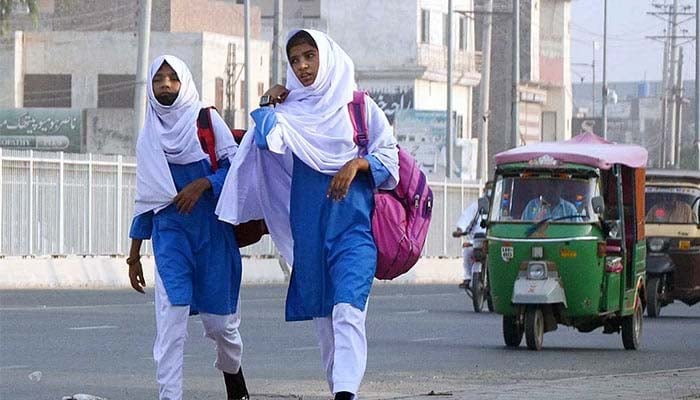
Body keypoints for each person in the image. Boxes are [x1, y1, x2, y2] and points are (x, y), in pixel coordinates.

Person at [217, 29, 399, 400]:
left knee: (348, 310)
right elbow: (268, 141)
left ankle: (346, 393)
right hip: (310, 236)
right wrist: (268, 103)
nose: (302, 66)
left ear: (326, 56)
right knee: (326, 325)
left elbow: (390, 158)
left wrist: (357, 164)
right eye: (295, 59)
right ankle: (342, 390)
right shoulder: (289, 114)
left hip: (353, 233)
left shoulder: (359, 108)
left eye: (309, 56)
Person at [127, 55, 249, 400]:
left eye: (173, 78)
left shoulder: (207, 120)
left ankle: (233, 374)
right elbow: (146, 197)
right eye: (158, 79)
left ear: (185, 83)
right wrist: (134, 255)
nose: (165, 84)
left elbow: (235, 170)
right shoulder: (148, 135)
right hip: (170, 238)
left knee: (221, 326)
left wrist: (204, 184)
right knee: (171, 323)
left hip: (212, 237)